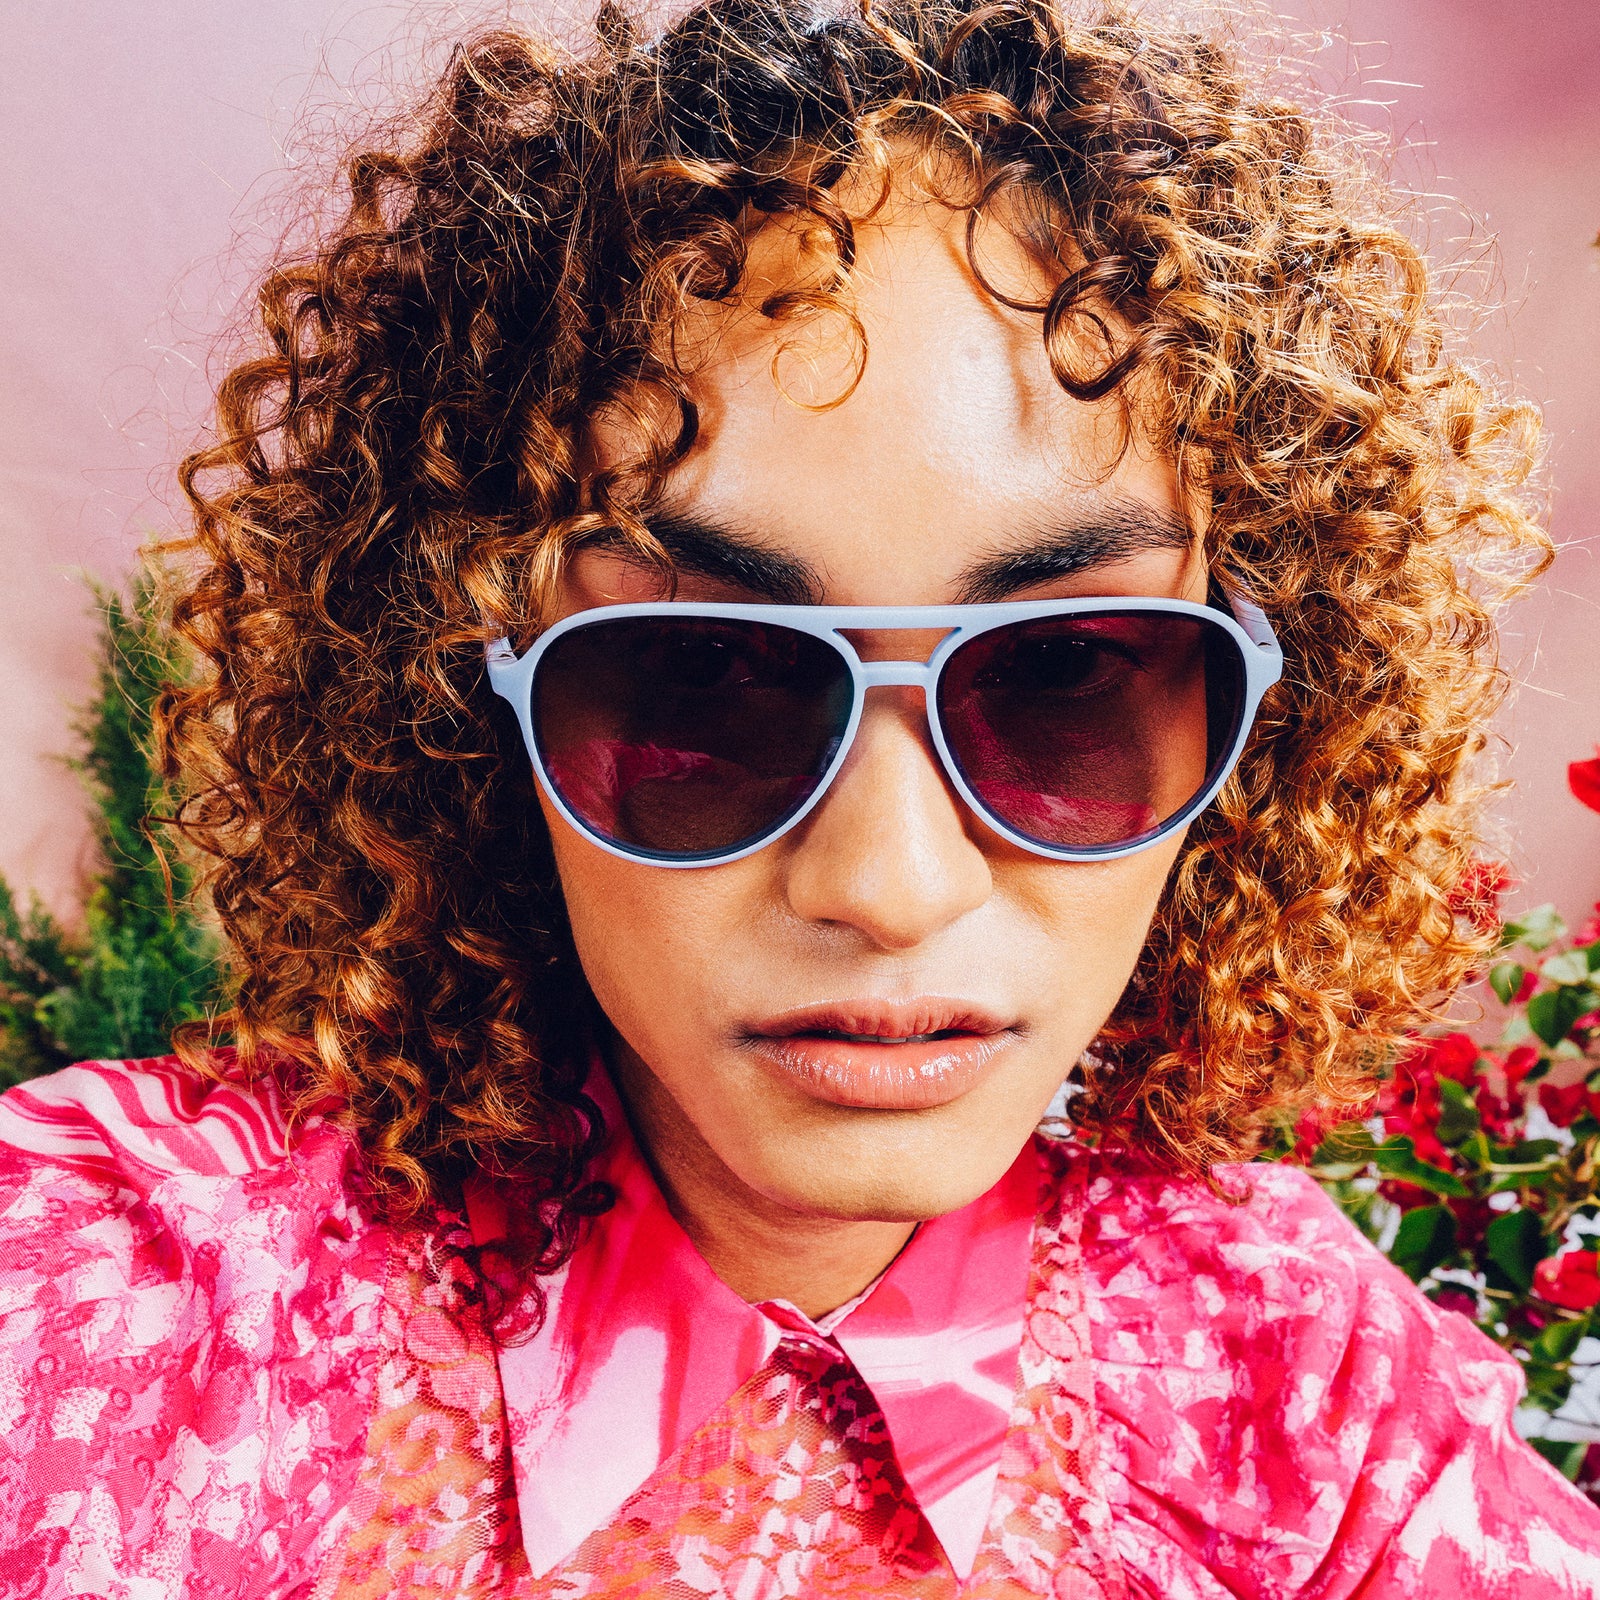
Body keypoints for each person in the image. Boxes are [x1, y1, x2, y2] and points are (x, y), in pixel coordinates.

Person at [2, 0, 1597, 1594]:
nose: (891, 884)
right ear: (464, 704)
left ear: (1266, 719)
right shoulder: (106, 1310)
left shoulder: (1313, 1418)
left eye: (1066, 675)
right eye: (703, 678)